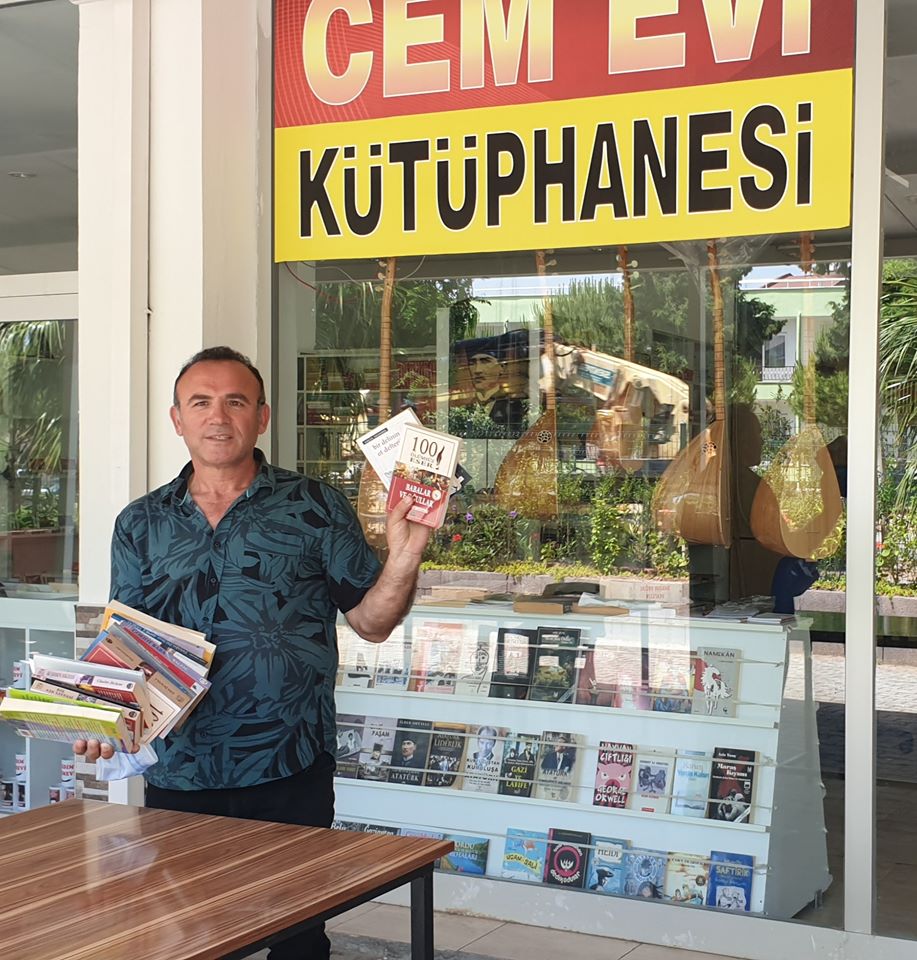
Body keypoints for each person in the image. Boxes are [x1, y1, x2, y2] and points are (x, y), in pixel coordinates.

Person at [74, 346, 432, 960]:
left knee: (298, 933)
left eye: (235, 402)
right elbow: (127, 645)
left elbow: (372, 623)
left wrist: (405, 556)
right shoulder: (140, 523)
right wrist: (101, 717)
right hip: (182, 769)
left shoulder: (316, 507)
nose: (218, 417)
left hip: (289, 764)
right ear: (177, 419)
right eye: (200, 403)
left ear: (262, 417)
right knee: (189, 932)